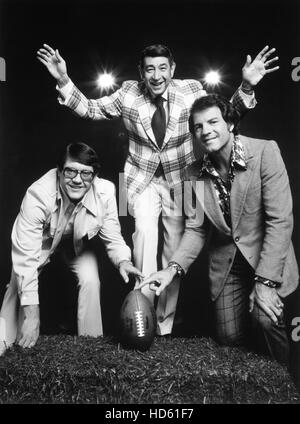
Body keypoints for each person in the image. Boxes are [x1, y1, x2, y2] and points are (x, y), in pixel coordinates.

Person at [37, 43, 279, 335]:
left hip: (185, 180)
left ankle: (162, 327)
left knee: (175, 250)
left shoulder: (190, 90)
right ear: (141, 72)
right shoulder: (128, 92)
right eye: (150, 68)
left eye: (162, 67)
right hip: (139, 181)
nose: (156, 75)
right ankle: (142, 314)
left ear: (172, 69)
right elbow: (90, 109)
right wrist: (63, 79)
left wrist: (247, 86)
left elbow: (224, 115)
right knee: (145, 236)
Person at [138, 94, 299, 364]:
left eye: (213, 122)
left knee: (265, 320)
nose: (205, 131)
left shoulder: (264, 152)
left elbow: (280, 221)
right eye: (198, 127)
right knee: (228, 338)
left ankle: (282, 385)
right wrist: (172, 268)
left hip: (267, 256)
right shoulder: (193, 173)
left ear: (231, 124)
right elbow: (197, 229)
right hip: (227, 263)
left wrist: (265, 283)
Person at [0, 142, 142, 355]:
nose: (77, 179)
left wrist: (124, 261)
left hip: (77, 244)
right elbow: (25, 258)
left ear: (94, 177)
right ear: (59, 171)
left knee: (91, 279)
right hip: (42, 243)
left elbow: (112, 236)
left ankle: (91, 348)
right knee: (18, 281)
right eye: (70, 171)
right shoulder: (37, 195)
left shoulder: (106, 192)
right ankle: (4, 342)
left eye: (85, 174)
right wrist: (33, 316)